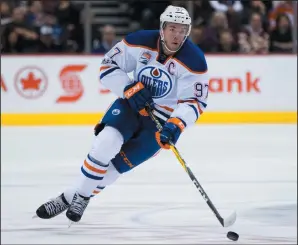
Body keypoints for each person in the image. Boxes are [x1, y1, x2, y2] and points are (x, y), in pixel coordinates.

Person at [35, 5, 210, 223]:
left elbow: (195, 101)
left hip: (161, 121)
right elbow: (108, 66)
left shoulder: (194, 60)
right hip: (131, 105)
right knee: (105, 143)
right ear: (162, 28)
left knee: (114, 170)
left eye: (182, 30)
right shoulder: (140, 41)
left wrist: (176, 124)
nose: (177, 35)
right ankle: (81, 198)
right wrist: (129, 87)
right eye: (172, 28)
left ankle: (67, 198)